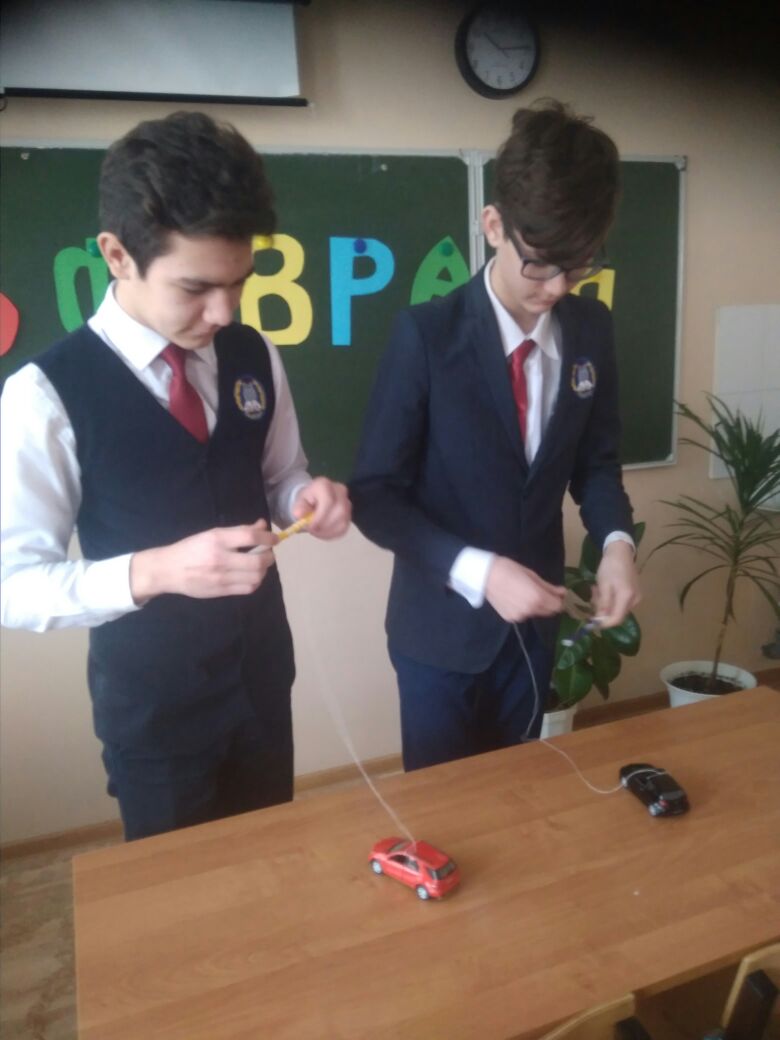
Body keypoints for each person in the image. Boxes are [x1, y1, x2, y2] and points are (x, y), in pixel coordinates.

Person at [0, 111, 351, 839]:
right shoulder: (44, 395)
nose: (223, 311)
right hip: (153, 711)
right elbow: (14, 584)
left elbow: (282, 473)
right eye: (195, 287)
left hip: (261, 677)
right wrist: (156, 570)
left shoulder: (254, 354)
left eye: (239, 283)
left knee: (269, 864)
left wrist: (305, 498)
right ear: (117, 255)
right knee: (178, 899)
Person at [350, 100, 640, 771]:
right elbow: (376, 496)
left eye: (579, 266)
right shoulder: (426, 336)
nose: (557, 287)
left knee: (518, 795)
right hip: (439, 636)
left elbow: (596, 465)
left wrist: (617, 545)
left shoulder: (591, 330)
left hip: (532, 634)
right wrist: (481, 572)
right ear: (492, 226)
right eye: (540, 264)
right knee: (444, 813)